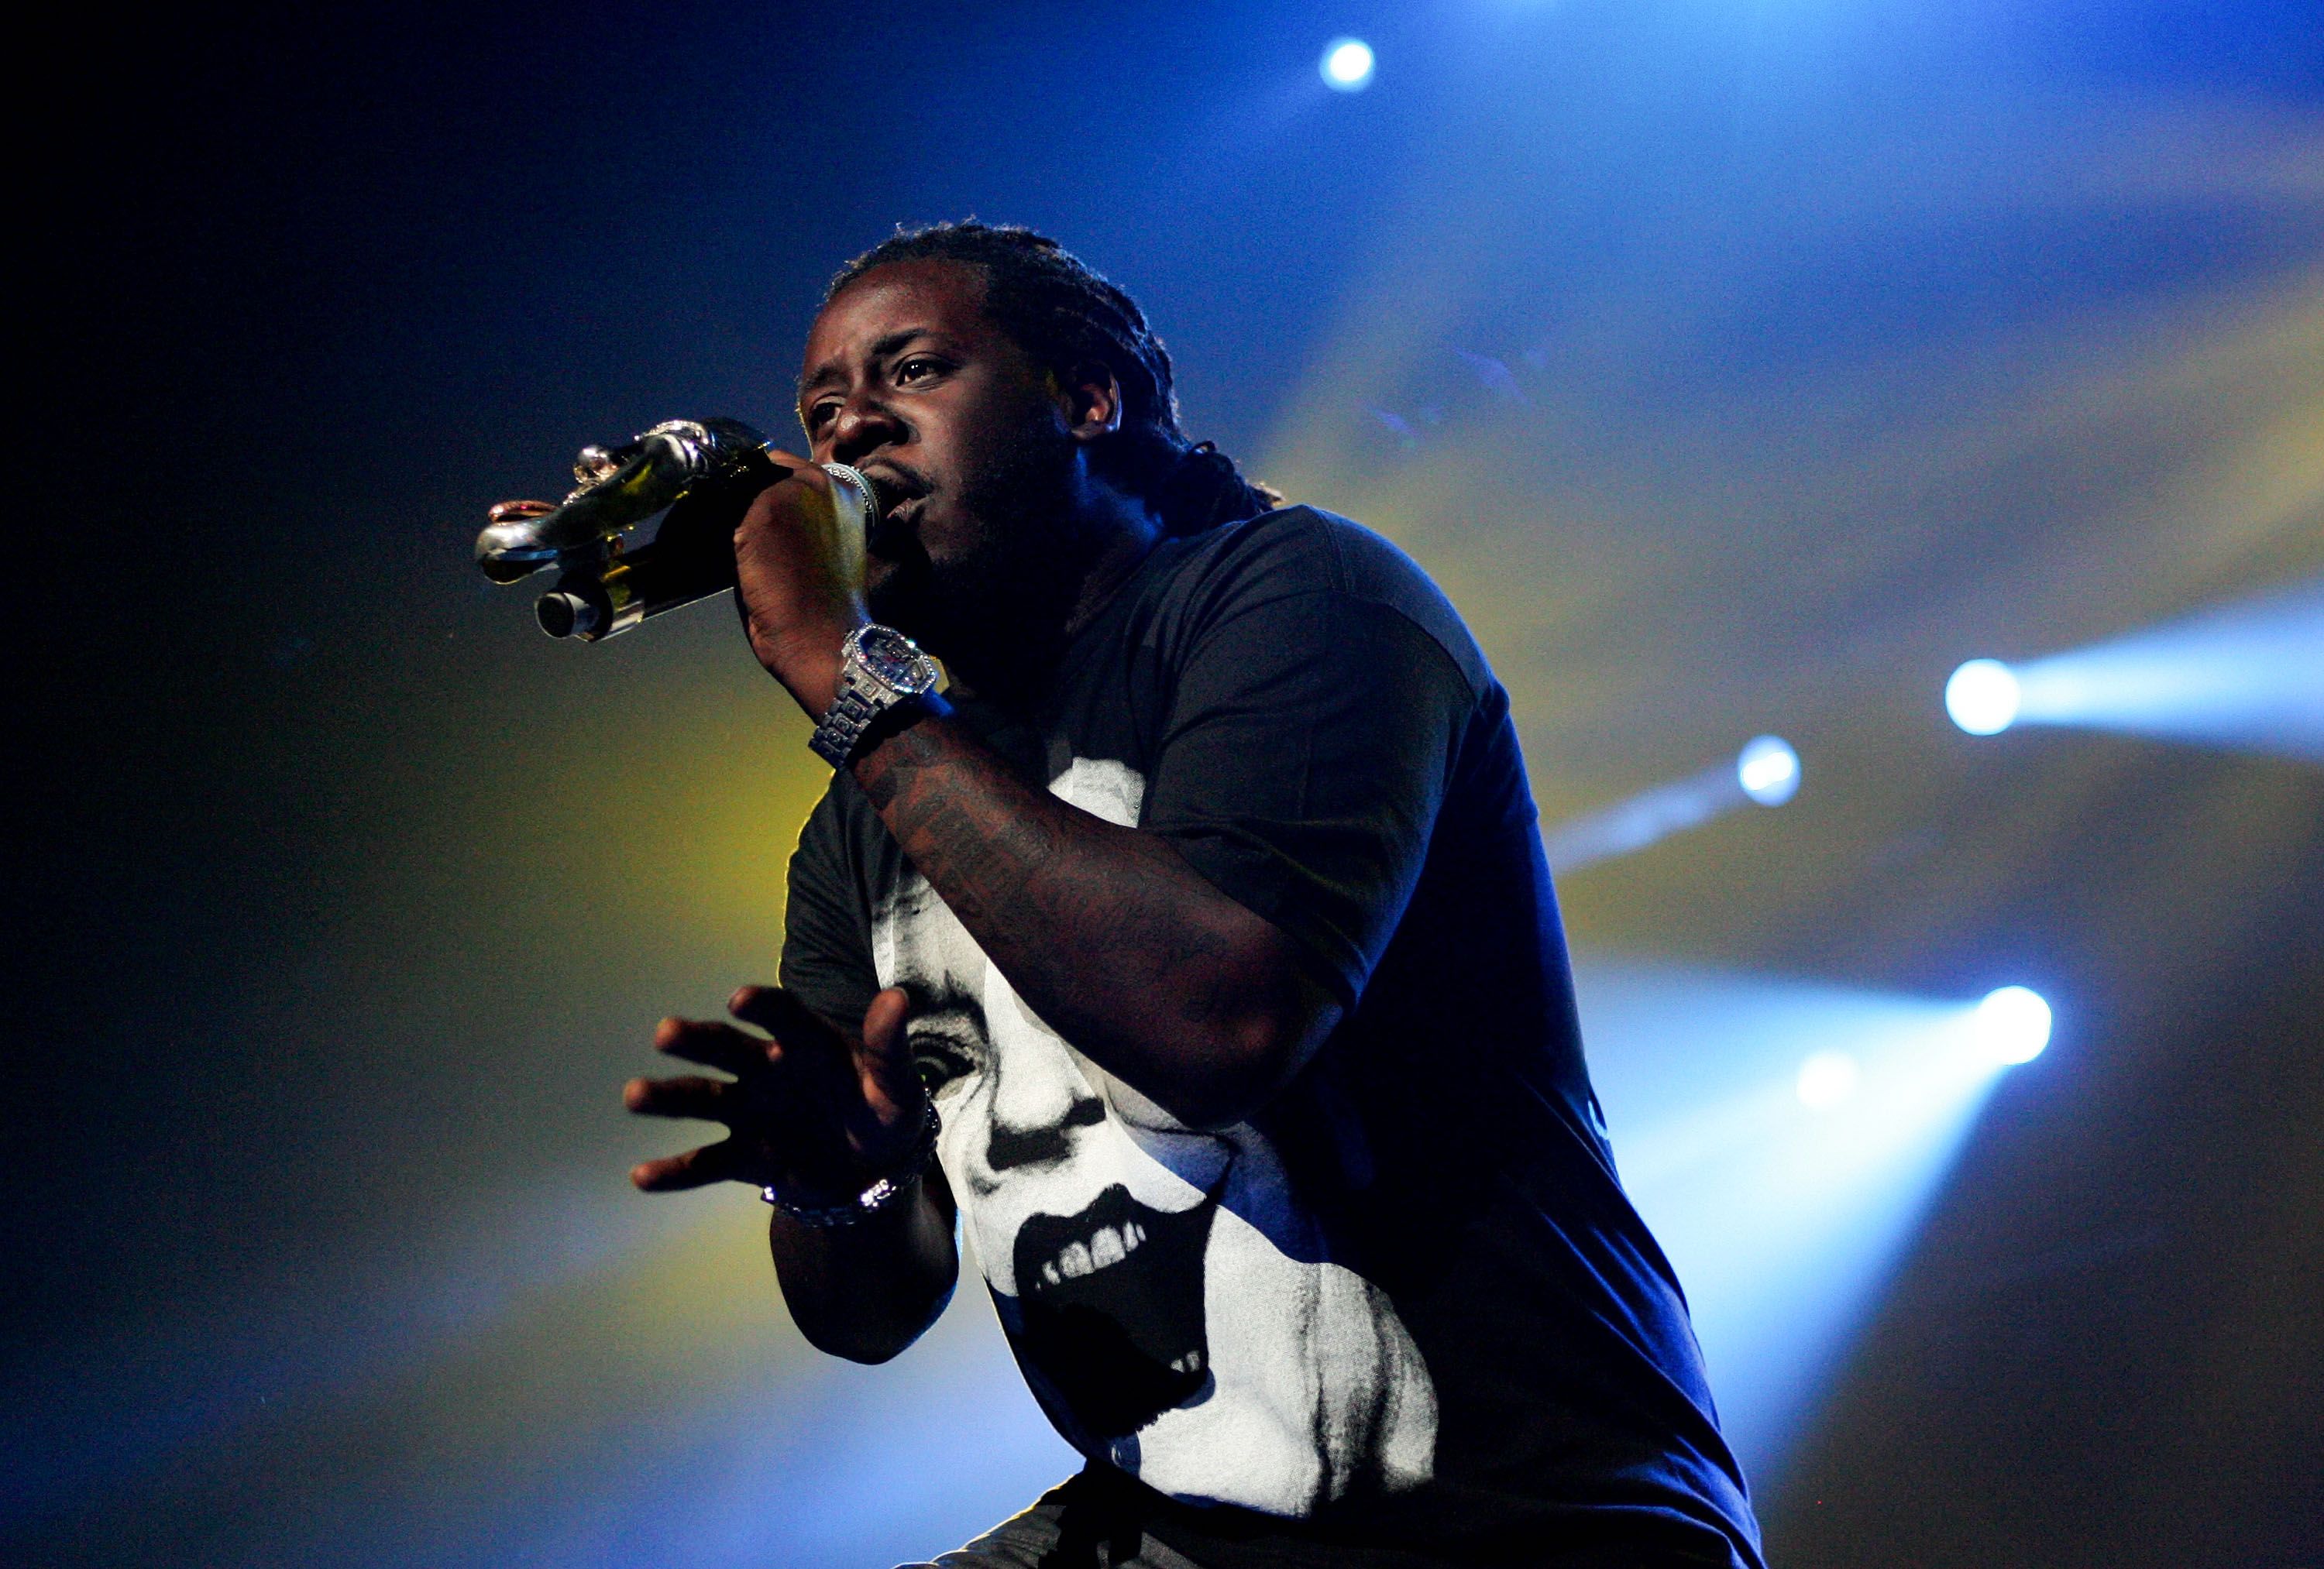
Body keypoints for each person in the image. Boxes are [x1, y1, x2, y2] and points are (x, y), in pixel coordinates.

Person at [621, 221, 1765, 1568]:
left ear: (1086, 396)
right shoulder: (865, 822)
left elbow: (1218, 1025)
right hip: (1173, 1528)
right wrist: (840, 1184)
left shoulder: (1300, 593)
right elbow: (869, 1312)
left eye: (911, 372)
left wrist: (839, 666)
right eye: (821, 410)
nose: (848, 434)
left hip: (1530, 1515)